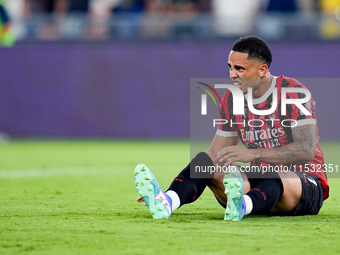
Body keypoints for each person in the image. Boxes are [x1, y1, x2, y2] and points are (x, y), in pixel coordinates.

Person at [134, 35, 329, 221]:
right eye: (230, 67)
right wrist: (180, 186)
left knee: (274, 174)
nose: (232, 75)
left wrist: (254, 154)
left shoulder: (293, 92)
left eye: (240, 69)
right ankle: (167, 202)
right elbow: (216, 154)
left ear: (262, 70)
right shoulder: (232, 99)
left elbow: (306, 150)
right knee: (207, 160)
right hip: (260, 187)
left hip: (304, 184)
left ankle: (243, 204)